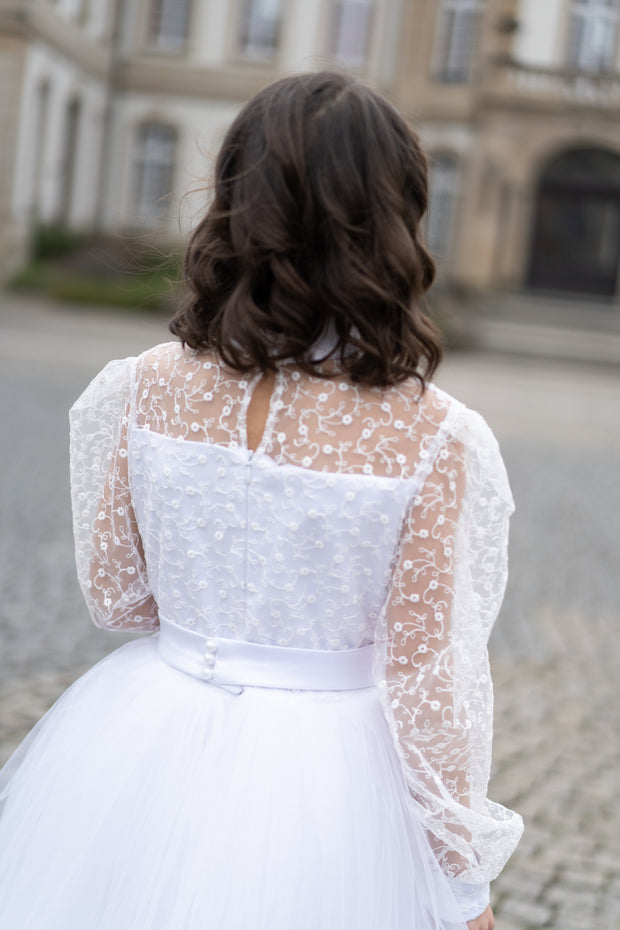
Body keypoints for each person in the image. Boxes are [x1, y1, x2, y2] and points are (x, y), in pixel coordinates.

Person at [0, 71, 522, 929]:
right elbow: (428, 681)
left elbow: (120, 598)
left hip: (142, 742)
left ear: (236, 201)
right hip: (331, 782)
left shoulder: (140, 388)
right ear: (395, 219)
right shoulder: (433, 433)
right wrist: (463, 889)